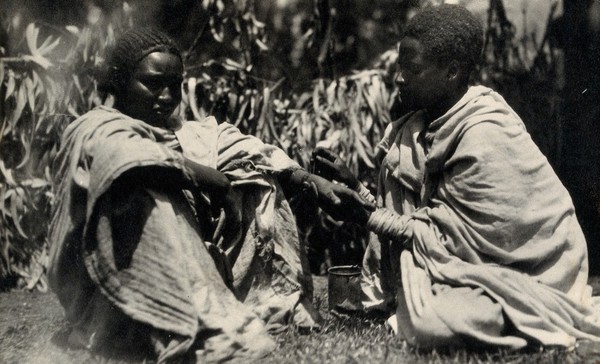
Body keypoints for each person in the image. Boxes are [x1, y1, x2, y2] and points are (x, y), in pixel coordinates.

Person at [47, 28, 373, 363]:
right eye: (153, 83)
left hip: (189, 273)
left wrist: (313, 181)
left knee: (255, 177)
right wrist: (211, 180)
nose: (166, 96)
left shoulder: (189, 133)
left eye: (175, 85)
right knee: (145, 191)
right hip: (115, 284)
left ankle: (270, 301)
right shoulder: (94, 126)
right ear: (120, 82)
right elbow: (126, 156)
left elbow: (252, 150)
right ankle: (166, 321)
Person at [312, 4, 600, 350]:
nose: (399, 77)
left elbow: (449, 241)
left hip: (522, 274)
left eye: (412, 70)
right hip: (461, 269)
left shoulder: (485, 134)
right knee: (426, 311)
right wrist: (355, 188)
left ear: (451, 71)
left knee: (434, 321)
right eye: (400, 67)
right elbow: (427, 222)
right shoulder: (417, 128)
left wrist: (365, 215)